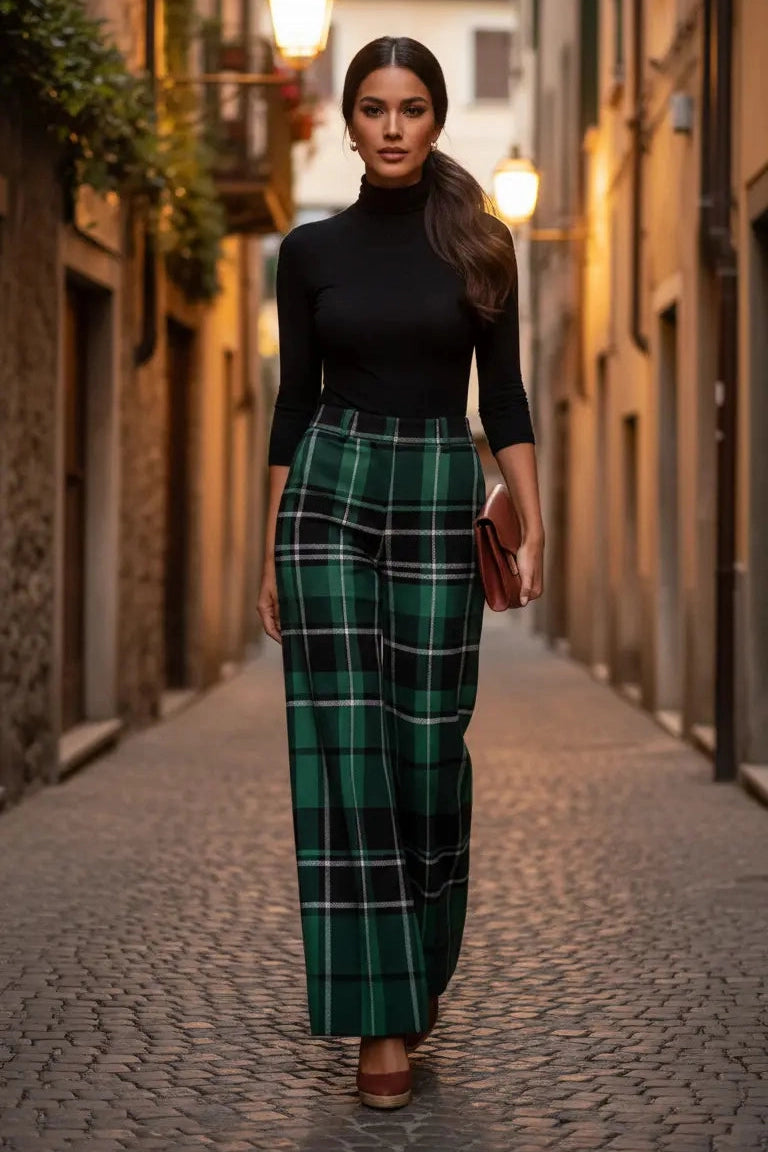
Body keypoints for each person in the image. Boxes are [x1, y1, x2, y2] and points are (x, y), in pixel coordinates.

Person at [257, 35, 544, 1110]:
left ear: (435, 119)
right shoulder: (310, 251)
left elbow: (502, 398)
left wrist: (534, 514)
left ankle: (416, 966)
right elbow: (293, 401)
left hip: (434, 482)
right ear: (348, 120)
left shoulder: (482, 245)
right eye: (373, 107)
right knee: (347, 750)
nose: (391, 125)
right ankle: (381, 1023)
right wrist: (269, 545)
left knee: (427, 752)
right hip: (328, 487)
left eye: (411, 107)